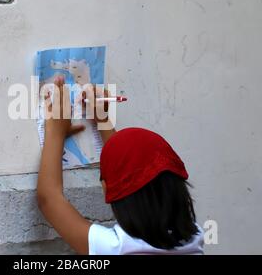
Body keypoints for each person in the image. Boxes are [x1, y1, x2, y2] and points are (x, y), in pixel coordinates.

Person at [37, 76, 204, 255]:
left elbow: (49, 198)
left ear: (108, 189)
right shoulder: (194, 238)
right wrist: (103, 119)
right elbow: (129, 170)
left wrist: (55, 132)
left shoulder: (117, 247)